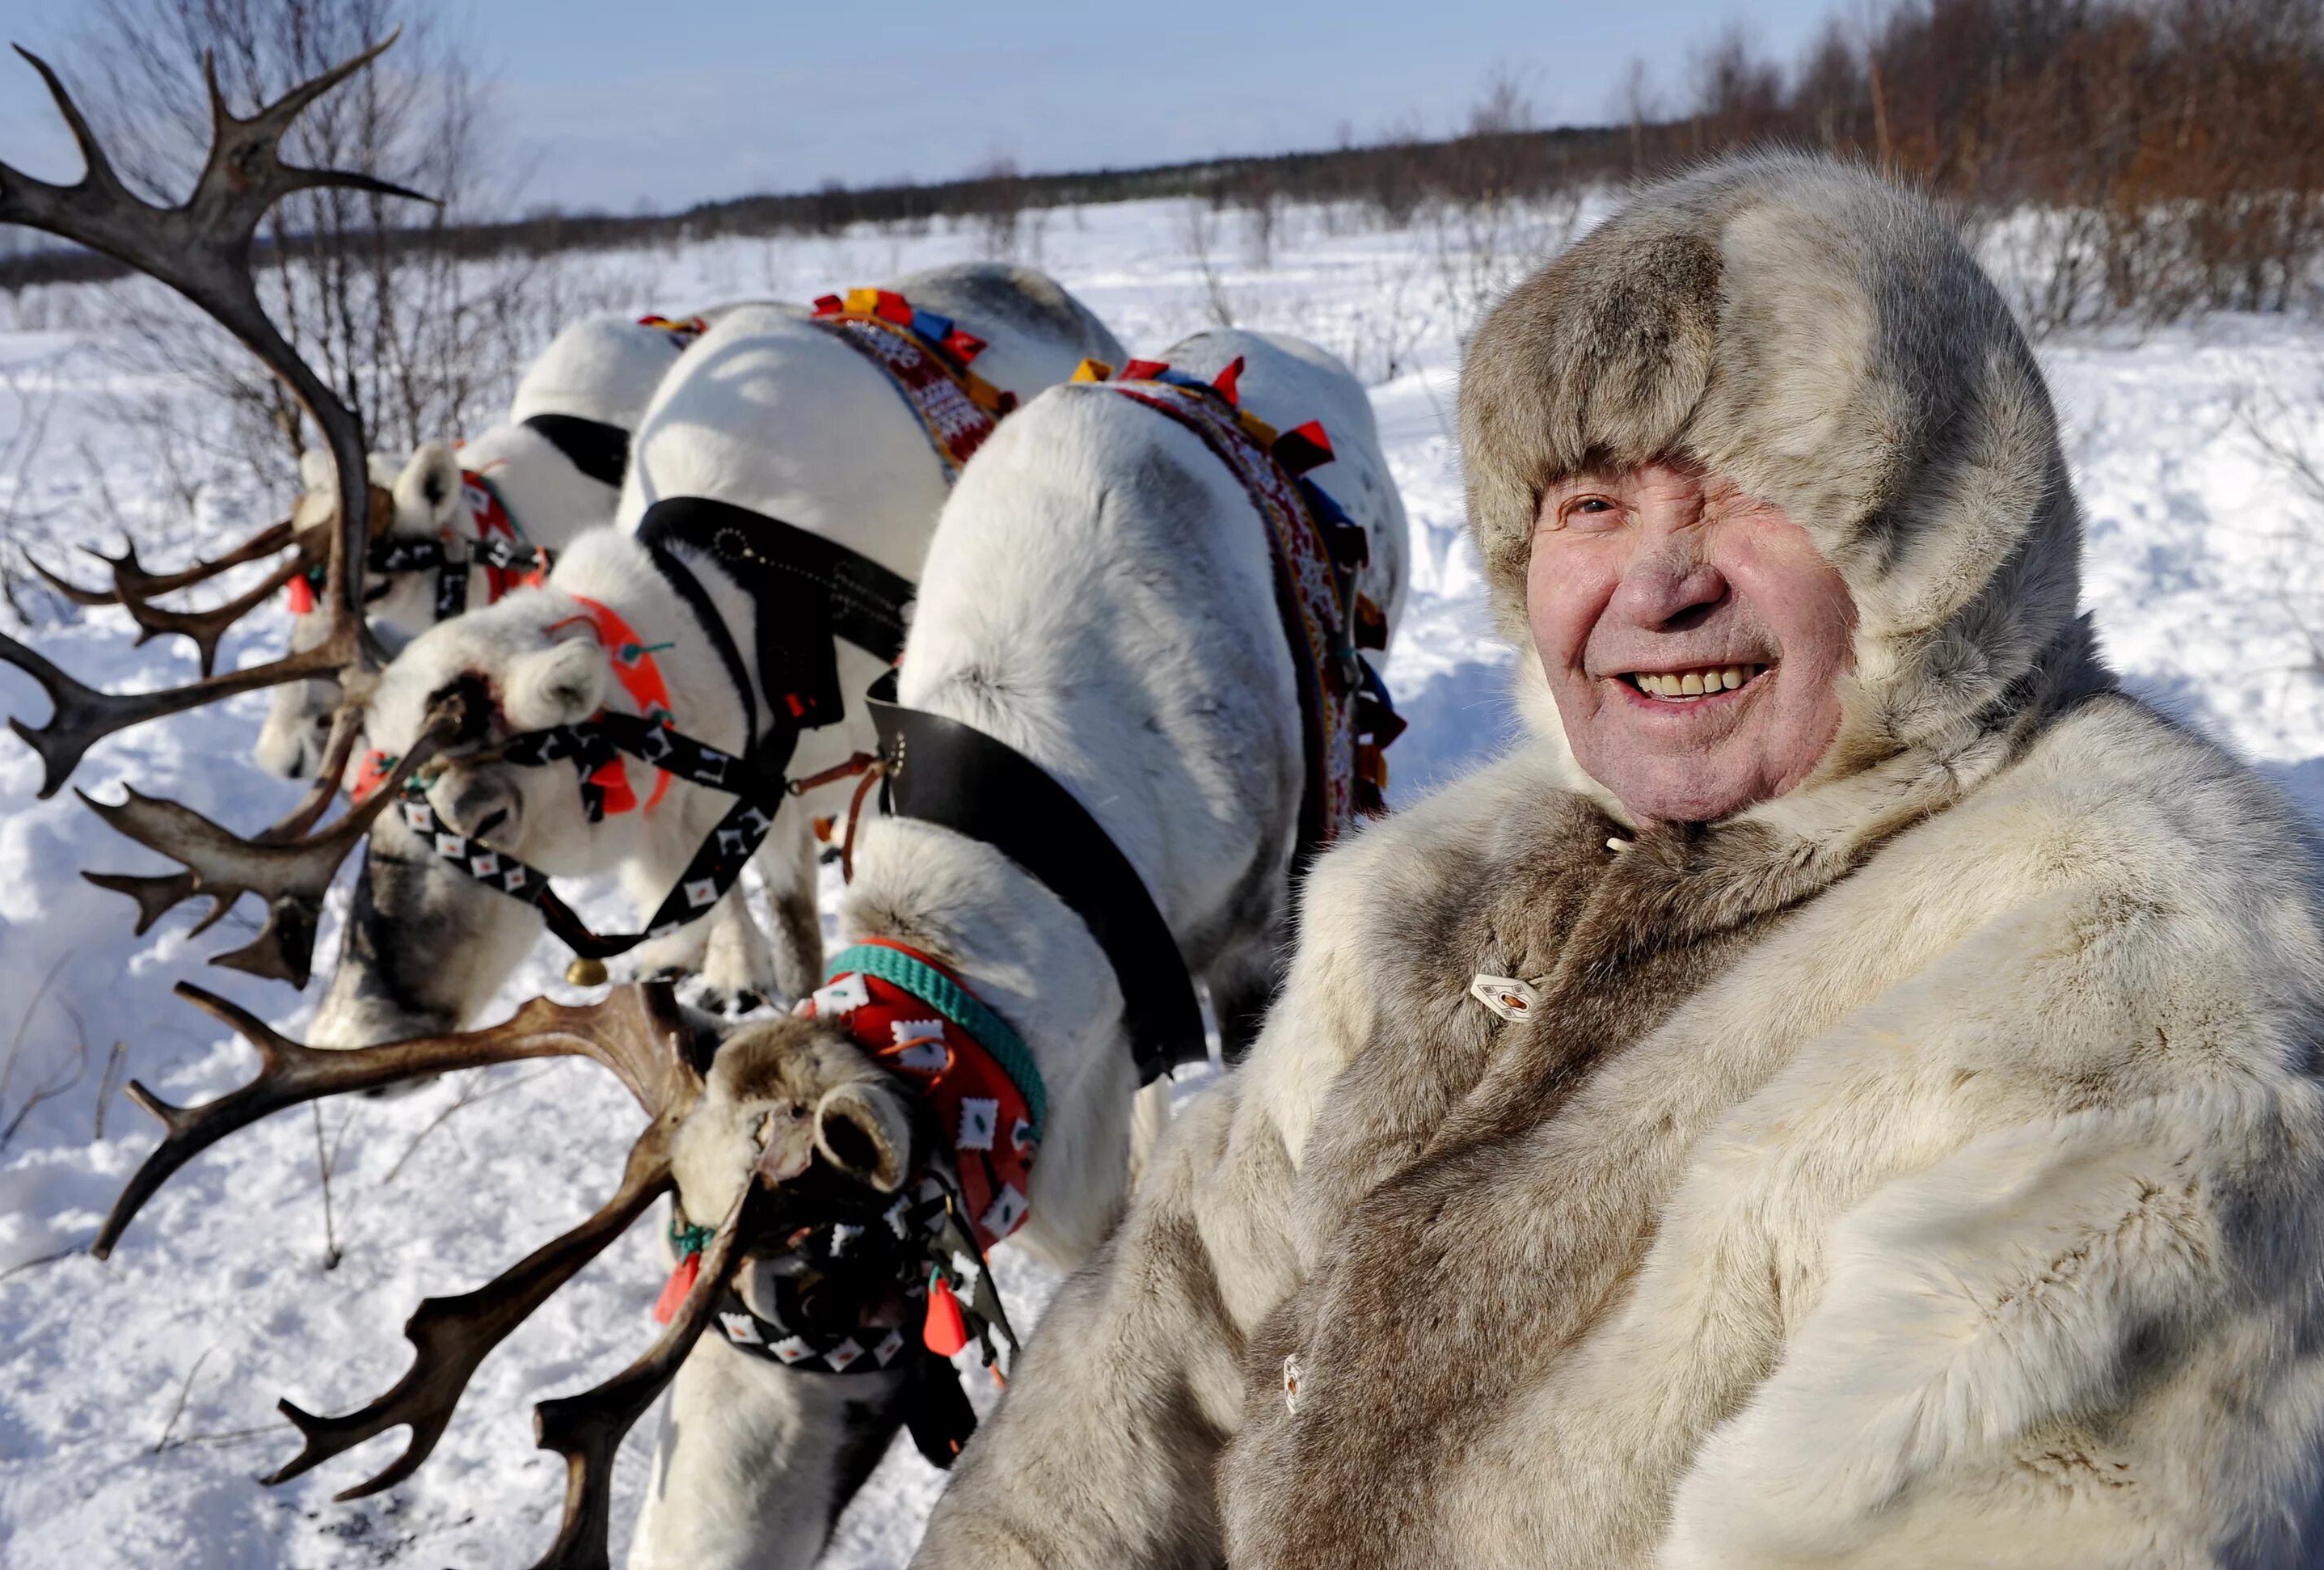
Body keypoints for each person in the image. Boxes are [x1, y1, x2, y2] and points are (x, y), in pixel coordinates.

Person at [906, 153, 2324, 1568]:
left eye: (1737, 493)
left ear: (1933, 532)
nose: (1655, 585)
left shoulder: (2137, 986)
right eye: (1590, 503)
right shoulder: (1439, 893)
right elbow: (1177, 1324)